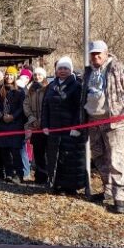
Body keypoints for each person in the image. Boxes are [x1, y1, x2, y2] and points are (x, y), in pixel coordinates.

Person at [81, 40, 124, 214]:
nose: (96, 56)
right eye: (93, 54)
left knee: (115, 158)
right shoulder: (88, 72)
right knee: (98, 156)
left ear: (106, 53)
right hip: (93, 120)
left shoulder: (118, 68)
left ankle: (119, 197)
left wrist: (120, 110)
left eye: (99, 53)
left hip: (114, 121)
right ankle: (108, 190)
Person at [43, 57, 86, 194]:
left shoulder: (77, 85)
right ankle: (54, 184)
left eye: (65, 68)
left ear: (70, 70)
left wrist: (76, 127)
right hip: (54, 129)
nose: (62, 71)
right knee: (54, 157)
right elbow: (45, 107)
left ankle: (69, 187)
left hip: (70, 130)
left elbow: (80, 108)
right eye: (60, 68)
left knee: (68, 159)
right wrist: (45, 125)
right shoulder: (51, 86)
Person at [0, 66, 26, 184]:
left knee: (15, 150)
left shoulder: (21, 91)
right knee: (4, 150)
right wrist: (1, 116)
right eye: (7, 74)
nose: (9, 77)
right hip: (2, 124)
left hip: (15, 124)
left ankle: (19, 174)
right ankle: (9, 173)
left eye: (11, 75)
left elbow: (22, 107)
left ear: (15, 76)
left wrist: (13, 116)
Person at [24, 67, 48, 184]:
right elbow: (26, 105)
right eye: (35, 75)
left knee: (47, 152)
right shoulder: (30, 90)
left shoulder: (48, 88)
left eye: (40, 75)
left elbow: (49, 106)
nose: (37, 77)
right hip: (34, 125)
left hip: (46, 125)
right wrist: (32, 118)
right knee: (37, 152)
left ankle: (49, 175)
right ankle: (40, 176)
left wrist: (43, 120)